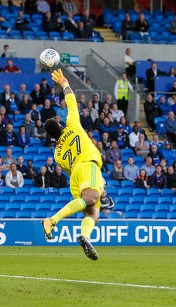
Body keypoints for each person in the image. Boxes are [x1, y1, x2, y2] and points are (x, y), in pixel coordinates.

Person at [41, 69, 104, 260]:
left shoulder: (57, 154)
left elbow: (68, 170)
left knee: (93, 213)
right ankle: (52, 220)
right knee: (92, 198)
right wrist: (64, 83)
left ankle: (85, 236)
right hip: (87, 165)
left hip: (75, 176)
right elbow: (71, 102)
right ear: (60, 126)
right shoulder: (73, 125)